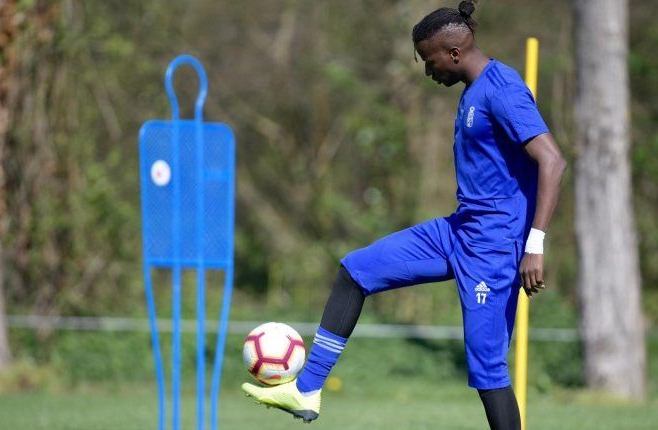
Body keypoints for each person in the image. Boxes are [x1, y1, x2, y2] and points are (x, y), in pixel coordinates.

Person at [242, 1, 567, 429]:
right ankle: (306, 390)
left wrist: (534, 244)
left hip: (493, 247)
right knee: (356, 271)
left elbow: (552, 160)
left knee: (489, 372)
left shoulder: (502, 88)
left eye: (428, 60)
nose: (427, 70)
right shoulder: (474, 92)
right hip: (458, 231)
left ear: (453, 53)